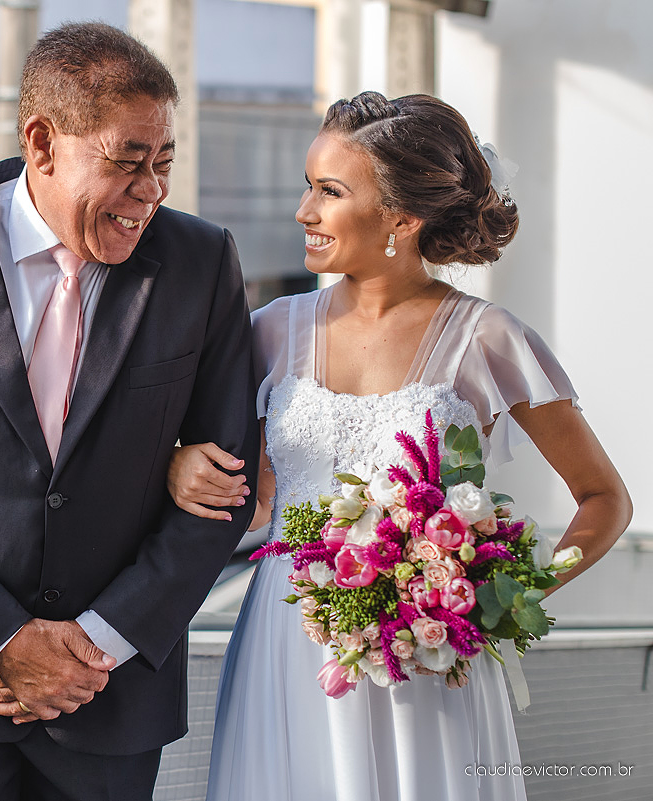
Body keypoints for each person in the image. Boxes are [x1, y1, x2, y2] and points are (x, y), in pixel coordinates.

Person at [0, 21, 259, 801]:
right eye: (128, 161)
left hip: (111, 701)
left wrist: (93, 648)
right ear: (42, 142)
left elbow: (228, 485)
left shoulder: (201, 263)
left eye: (164, 162)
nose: (152, 191)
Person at [167, 91, 632, 801]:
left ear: (402, 218)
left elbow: (604, 498)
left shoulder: (488, 338)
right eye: (307, 186)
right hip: (284, 642)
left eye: (329, 191)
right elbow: (253, 497)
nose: (304, 211)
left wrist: (506, 595)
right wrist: (180, 463)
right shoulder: (269, 330)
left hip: (425, 656)